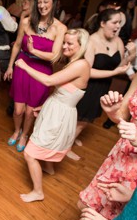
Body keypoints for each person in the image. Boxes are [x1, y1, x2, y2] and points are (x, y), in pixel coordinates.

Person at [79, 8, 137, 220]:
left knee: (126, 216)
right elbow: (122, 116)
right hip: (123, 151)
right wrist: (113, 112)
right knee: (99, 203)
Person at [17, 28, 92, 202]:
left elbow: (48, 81)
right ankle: (48, 168)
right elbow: (63, 93)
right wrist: (44, 106)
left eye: (69, 43)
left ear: (81, 45)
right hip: (55, 109)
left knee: (29, 153)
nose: (64, 46)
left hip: (60, 115)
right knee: (46, 142)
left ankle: (38, 192)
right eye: (64, 42)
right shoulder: (73, 63)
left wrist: (24, 65)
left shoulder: (81, 65)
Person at [8, 0, 67, 151]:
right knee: (18, 110)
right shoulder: (26, 21)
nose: (42, 6)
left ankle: (25, 135)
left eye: (46, 2)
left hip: (42, 71)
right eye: (39, 2)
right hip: (22, 66)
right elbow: (17, 45)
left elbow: (55, 56)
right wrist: (10, 66)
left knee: (30, 111)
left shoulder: (60, 28)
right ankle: (17, 131)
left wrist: (34, 51)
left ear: (54, 3)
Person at [71, 8, 134, 158]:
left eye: (120, 22)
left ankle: (71, 139)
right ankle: (65, 147)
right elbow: (87, 71)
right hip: (88, 85)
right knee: (79, 119)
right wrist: (113, 73)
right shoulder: (91, 41)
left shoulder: (118, 41)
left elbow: (120, 66)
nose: (118, 26)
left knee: (87, 119)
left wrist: (130, 56)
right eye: (115, 22)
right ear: (103, 23)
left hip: (104, 86)